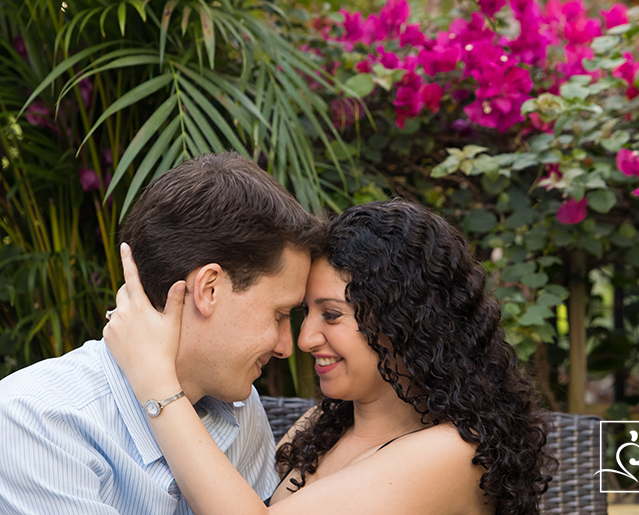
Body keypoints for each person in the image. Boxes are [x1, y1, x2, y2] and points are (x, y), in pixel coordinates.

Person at [105, 200, 554, 515]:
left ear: (406, 321)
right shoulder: (327, 424)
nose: (303, 339)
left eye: (332, 315)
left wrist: (157, 382)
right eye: (303, 313)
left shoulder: (453, 454)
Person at [0, 152, 324, 515]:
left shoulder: (240, 408)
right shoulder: (36, 423)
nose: (286, 346)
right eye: (280, 315)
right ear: (209, 289)